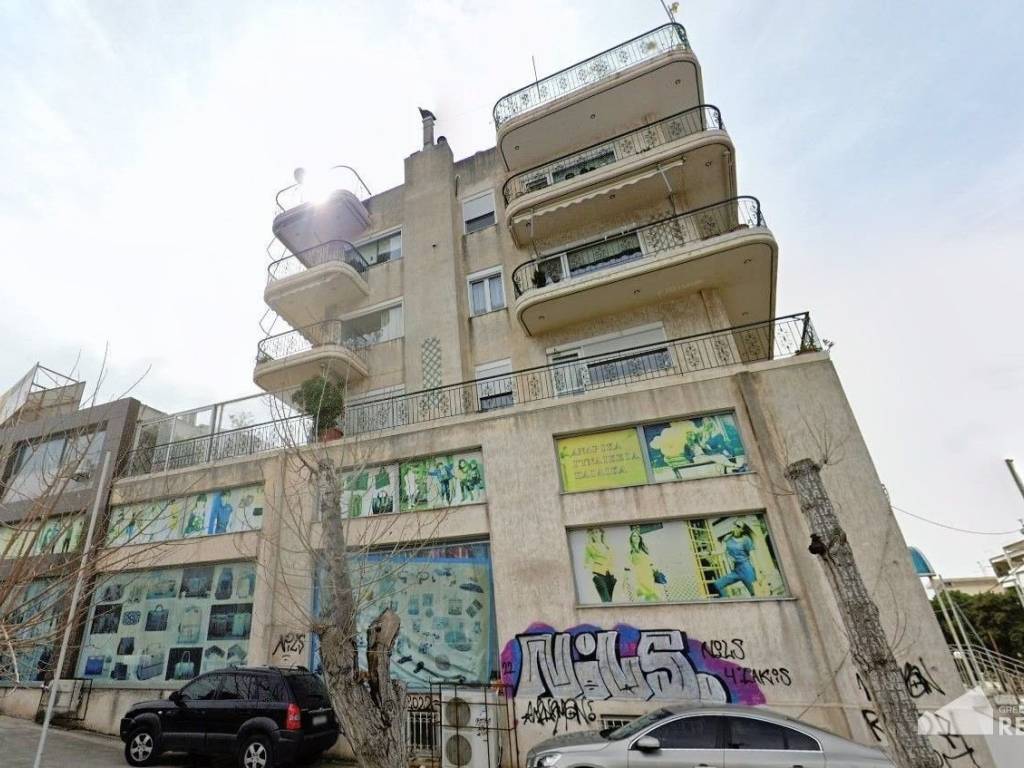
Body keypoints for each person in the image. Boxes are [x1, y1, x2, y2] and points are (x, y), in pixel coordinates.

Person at [712, 521, 758, 597]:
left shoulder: (746, 539)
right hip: (736, 570)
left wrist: (758, 573)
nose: (735, 527)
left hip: (747, 569)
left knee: (755, 593)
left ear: (742, 530)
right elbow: (722, 550)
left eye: (738, 526)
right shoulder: (728, 538)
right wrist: (710, 553)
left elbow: (753, 556)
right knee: (718, 584)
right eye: (735, 525)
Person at [583, 528, 616, 602]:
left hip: (610, 575)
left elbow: (612, 560)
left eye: (597, 532)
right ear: (591, 535)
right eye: (593, 533)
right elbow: (586, 563)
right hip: (598, 574)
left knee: (611, 600)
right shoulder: (590, 546)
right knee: (606, 599)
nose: (595, 534)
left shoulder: (607, 546)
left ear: (601, 533)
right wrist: (592, 575)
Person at [628, 526, 658, 601]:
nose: (636, 537)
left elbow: (650, 563)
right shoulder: (631, 552)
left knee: (655, 599)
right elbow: (628, 567)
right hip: (640, 579)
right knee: (645, 600)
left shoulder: (644, 550)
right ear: (631, 539)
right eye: (634, 536)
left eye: (638, 536)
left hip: (649, 577)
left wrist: (655, 570)